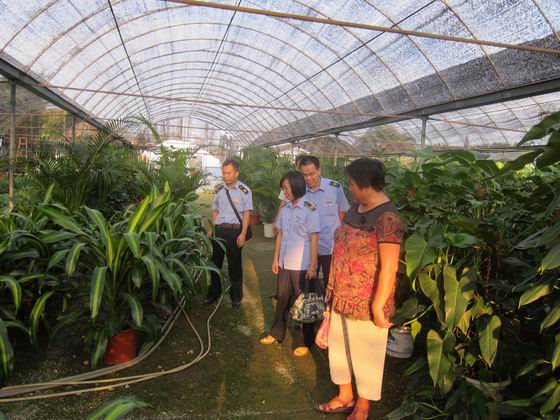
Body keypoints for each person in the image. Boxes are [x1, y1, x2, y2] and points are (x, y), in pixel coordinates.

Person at [315, 158, 404, 420]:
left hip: (367, 301)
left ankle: (363, 405)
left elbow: (389, 267)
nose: (350, 188)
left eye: (352, 183)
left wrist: (378, 306)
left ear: (366, 184)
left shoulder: (387, 218)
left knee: (366, 355)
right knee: (339, 349)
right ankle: (345, 395)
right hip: (341, 295)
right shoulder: (356, 208)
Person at [260, 171, 320, 357]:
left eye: (286, 188)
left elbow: (314, 238)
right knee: (282, 299)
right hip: (285, 263)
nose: (284, 192)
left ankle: (305, 341)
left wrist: (313, 265)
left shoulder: (310, 209)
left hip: (302, 265)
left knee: (305, 303)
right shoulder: (285, 209)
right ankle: (276, 333)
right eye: (283, 189)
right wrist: (276, 259)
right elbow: (280, 235)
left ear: (296, 186)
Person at [298, 155, 350, 291]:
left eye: (311, 174)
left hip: (330, 245)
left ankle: (327, 303)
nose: (308, 178)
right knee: (308, 283)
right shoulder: (300, 190)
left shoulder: (334, 188)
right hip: (307, 247)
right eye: (304, 175)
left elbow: (342, 210)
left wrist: (337, 232)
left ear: (319, 171)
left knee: (330, 282)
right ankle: (309, 303)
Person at [206, 159, 253, 308]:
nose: (225, 176)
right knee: (215, 263)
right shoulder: (219, 189)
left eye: (228, 173)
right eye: (224, 173)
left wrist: (243, 233)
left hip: (235, 231)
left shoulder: (245, 191)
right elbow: (215, 210)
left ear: (236, 173)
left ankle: (236, 296)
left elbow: (247, 214)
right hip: (219, 230)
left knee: (234, 265)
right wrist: (213, 228)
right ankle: (214, 292)